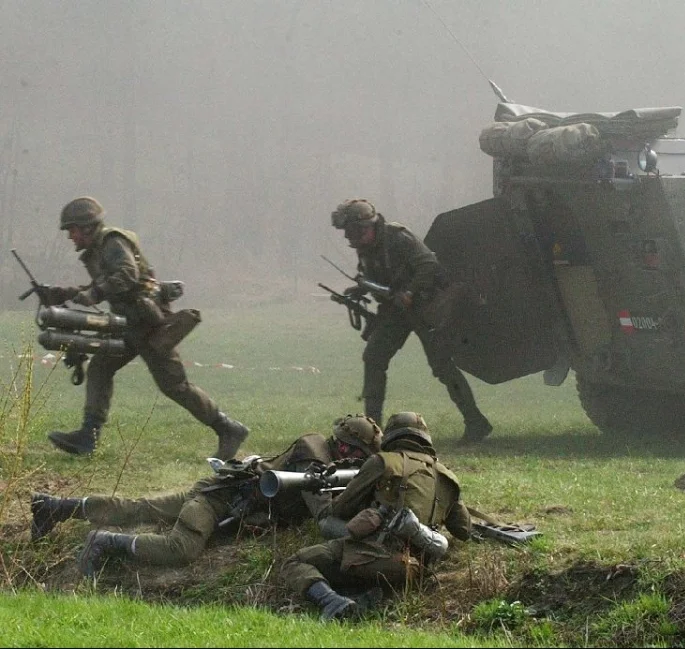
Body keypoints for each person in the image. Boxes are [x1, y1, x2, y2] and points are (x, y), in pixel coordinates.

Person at [29, 414, 382, 576]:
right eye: (360, 457)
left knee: (142, 507)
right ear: (346, 448)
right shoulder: (313, 459)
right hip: (219, 500)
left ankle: (55, 506)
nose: (361, 464)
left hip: (221, 490)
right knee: (180, 548)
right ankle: (102, 541)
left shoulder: (322, 451)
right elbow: (323, 516)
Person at [40, 196, 249, 459]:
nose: (70, 236)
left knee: (175, 386)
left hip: (149, 326)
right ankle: (88, 437)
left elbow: (128, 276)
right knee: (100, 368)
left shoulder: (113, 242)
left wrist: (94, 294)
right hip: (127, 325)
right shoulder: (98, 250)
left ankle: (229, 429)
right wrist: (63, 294)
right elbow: (108, 284)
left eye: (72, 229)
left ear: (87, 227)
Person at [278, 411, 471, 621]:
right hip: (417, 568)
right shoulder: (447, 476)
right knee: (359, 562)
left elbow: (339, 509)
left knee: (295, 562)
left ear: (391, 436)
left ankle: (332, 602)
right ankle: (363, 594)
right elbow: (464, 530)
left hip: (374, 557)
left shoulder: (382, 462)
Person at [331, 198, 493, 443]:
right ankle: (371, 428)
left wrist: (410, 292)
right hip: (395, 311)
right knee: (374, 356)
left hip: (425, 308)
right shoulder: (366, 250)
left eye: (352, 232)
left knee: (442, 366)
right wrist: (360, 290)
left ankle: (475, 422)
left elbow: (429, 265)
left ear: (367, 227)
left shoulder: (398, 238)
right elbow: (378, 279)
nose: (349, 239)